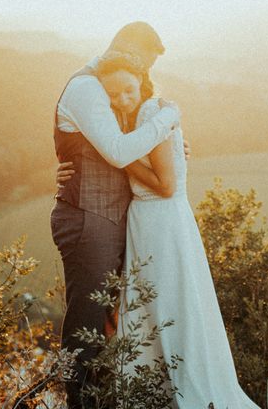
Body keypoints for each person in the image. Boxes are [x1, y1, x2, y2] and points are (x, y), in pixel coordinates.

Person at [57, 51, 268, 409]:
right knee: (150, 309)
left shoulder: (154, 114)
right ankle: (147, 390)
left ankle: (181, 390)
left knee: (171, 305)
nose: (121, 100)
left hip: (161, 224)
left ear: (143, 82)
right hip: (145, 224)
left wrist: (119, 156)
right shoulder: (136, 120)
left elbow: (165, 186)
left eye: (128, 91)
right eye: (113, 95)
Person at [50, 22, 182, 409]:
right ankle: (77, 403)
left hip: (112, 219)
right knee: (85, 325)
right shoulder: (87, 87)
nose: (143, 76)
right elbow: (118, 152)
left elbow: (114, 142)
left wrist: (170, 145)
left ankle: (106, 398)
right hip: (89, 220)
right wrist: (166, 121)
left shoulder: (110, 85)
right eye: (143, 63)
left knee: (112, 322)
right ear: (124, 49)